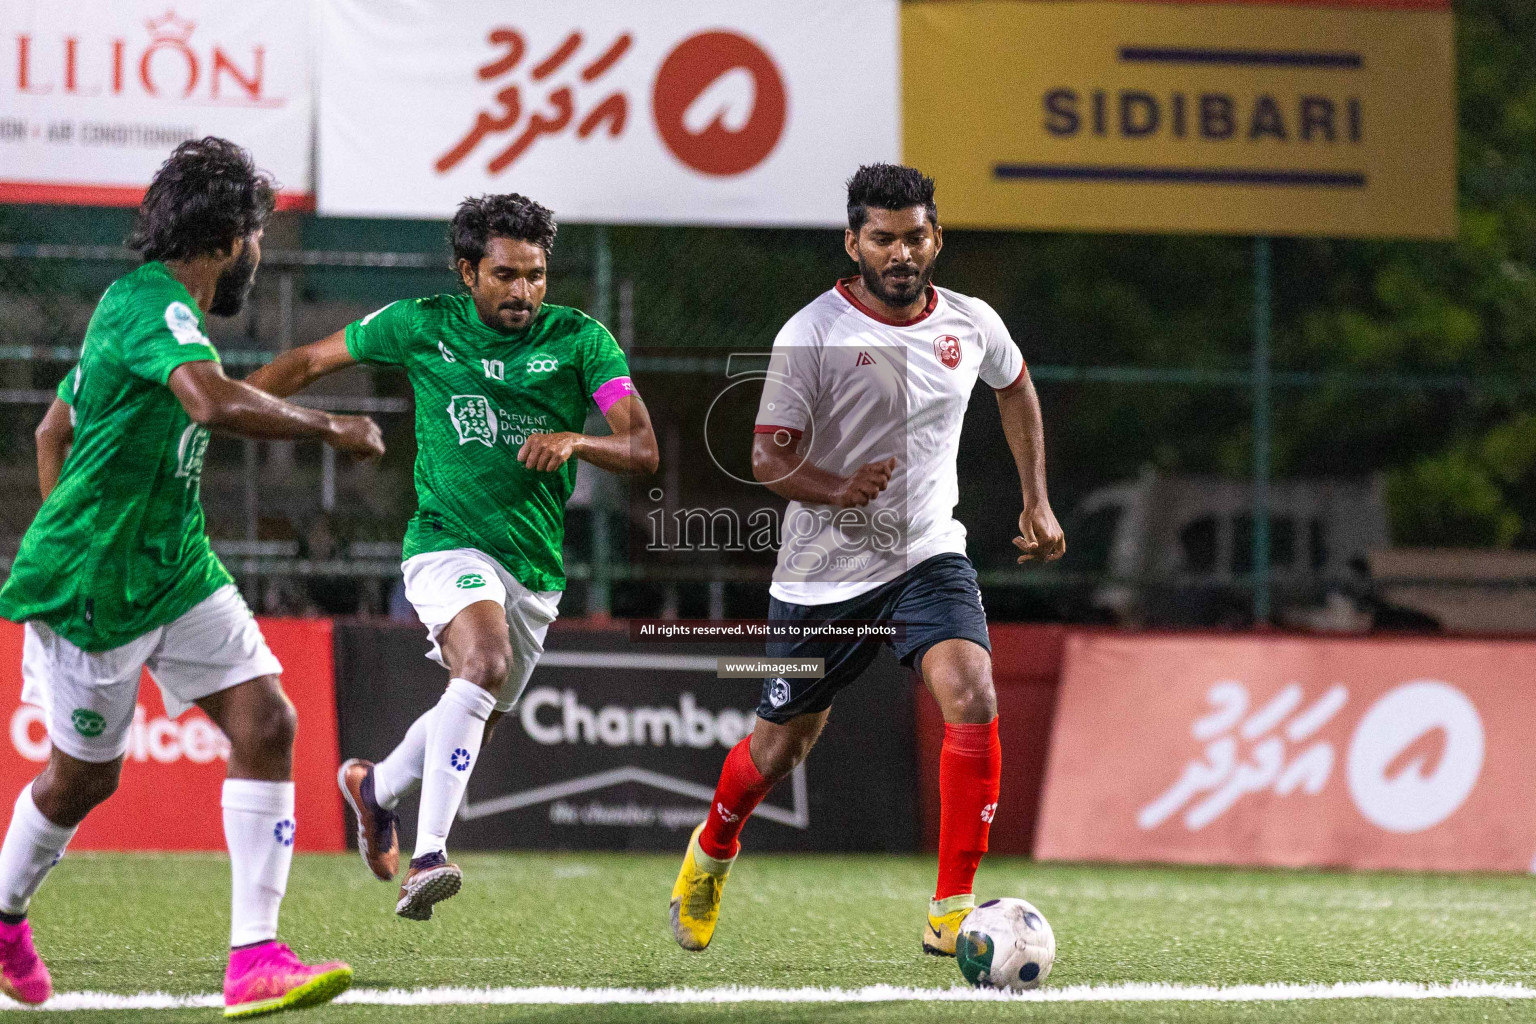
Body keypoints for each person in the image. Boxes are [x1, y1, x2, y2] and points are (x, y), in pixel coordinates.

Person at [0, 138, 383, 1015]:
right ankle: (2, 913)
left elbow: (48, 435)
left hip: (176, 568)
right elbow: (211, 401)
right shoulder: (152, 308)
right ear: (229, 237)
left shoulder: (145, 315)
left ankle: (256, 957)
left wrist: (105, 518)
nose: (260, 251)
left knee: (268, 721)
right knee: (83, 780)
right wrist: (329, 428)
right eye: (257, 233)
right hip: (97, 589)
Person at [669, 164, 1066, 957]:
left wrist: (1036, 498)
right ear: (853, 243)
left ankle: (950, 909)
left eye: (915, 235)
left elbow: (1015, 386)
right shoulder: (811, 331)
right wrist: (837, 487)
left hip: (928, 556)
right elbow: (768, 457)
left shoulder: (971, 321)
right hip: (823, 577)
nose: (900, 252)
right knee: (779, 748)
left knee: (973, 692)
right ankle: (712, 851)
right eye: (882, 238)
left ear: (936, 239)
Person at [246, 193, 658, 921]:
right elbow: (310, 360)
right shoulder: (419, 324)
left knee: (473, 709)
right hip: (444, 542)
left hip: (533, 570)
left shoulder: (582, 340)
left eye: (536, 275)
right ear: (467, 271)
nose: (524, 292)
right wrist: (220, 406)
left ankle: (374, 790)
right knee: (485, 662)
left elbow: (642, 447)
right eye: (505, 274)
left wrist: (579, 441)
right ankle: (429, 856)